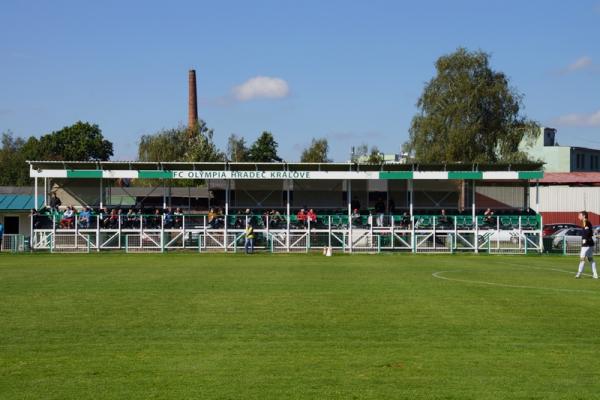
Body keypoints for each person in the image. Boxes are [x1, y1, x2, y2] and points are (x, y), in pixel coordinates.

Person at [576, 211, 598, 279]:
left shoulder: (586, 222)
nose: (578, 216)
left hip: (586, 243)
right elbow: (589, 232)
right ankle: (595, 274)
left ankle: (579, 274)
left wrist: (585, 238)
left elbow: (588, 232)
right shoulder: (586, 222)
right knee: (590, 259)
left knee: (582, 258)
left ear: (584, 216)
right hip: (590, 243)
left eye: (580, 215)